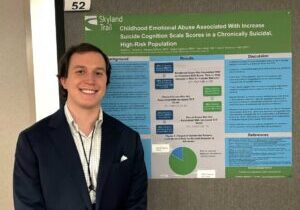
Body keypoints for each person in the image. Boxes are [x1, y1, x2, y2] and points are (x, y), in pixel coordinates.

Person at [13, 43, 148, 210]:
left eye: (98, 73)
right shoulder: (32, 141)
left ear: (106, 82)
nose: (90, 80)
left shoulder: (129, 139)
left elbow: (136, 204)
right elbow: (28, 205)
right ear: (64, 81)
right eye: (80, 71)